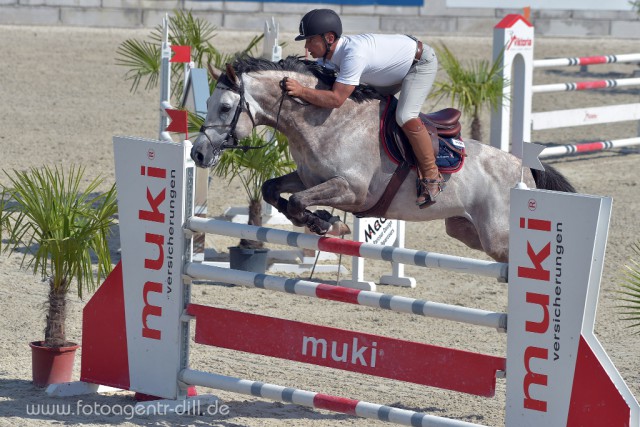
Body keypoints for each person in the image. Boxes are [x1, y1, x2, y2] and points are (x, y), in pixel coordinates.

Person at [285, 8, 443, 207]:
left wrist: (301, 91)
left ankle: (431, 176)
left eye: (310, 40)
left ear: (329, 38)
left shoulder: (353, 55)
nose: (306, 47)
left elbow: (335, 99)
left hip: (418, 65)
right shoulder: (327, 56)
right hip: (388, 69)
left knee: (404, 115)